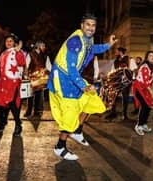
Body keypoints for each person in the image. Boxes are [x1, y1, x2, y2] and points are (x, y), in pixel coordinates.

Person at [47, 13, 117, 160]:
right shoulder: (75, 41)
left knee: (91, 100)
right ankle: (60, 147)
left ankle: (77, 131)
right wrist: (82, 85)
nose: (91, 28)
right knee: (70, 112)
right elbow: (72, 69)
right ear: (81, 26)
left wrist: (108, 45)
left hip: (72, 77)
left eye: (93, 25)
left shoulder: (88, 40)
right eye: (88, 24)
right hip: (63, 78)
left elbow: (94, 49)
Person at [0, 34, 25, 136]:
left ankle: (18, 125)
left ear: (14, 42)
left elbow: (21, 62)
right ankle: (1, 124)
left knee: (13, 104)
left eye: (10, 41)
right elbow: (3, 66)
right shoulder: (3, 53)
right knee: (0, 104)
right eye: (7, 41)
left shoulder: (17, 52)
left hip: (12, 82)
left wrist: (18, 51)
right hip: (2, 82)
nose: (8, 43)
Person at [132, 51, 153, 136]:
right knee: (145, 105)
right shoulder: (145, 67)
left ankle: (143, 124)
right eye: (150, 55)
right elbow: (146, 82)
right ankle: (138, 126)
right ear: (147, 58)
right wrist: (152, 93)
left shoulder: (152, 68)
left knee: (148, 106)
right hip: (139, 88)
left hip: (145, 89)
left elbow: (151, 80)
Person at [105, 47, 132, 120]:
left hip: (125, 81)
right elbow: (114, 69)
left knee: (125, 97)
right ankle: (113, 113)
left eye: (116, 51)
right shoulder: (116, 60)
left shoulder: (127, 58)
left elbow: (130, 68)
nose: (115, 52)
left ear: (120, 51)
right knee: (113, 95)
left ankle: (125, 115)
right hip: (117, 80)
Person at [24, 41, 48, 117]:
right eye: (43, 46)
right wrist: (26, 75)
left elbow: (48, 66)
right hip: (32, 77)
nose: (44, 48)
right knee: (30, 95)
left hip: (41, 78)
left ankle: (37, 111)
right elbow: (26, 65)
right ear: (38, 46)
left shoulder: (45, 56)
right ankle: (29, 111)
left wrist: (46, 71)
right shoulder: (30, 54)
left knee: (39, 95)